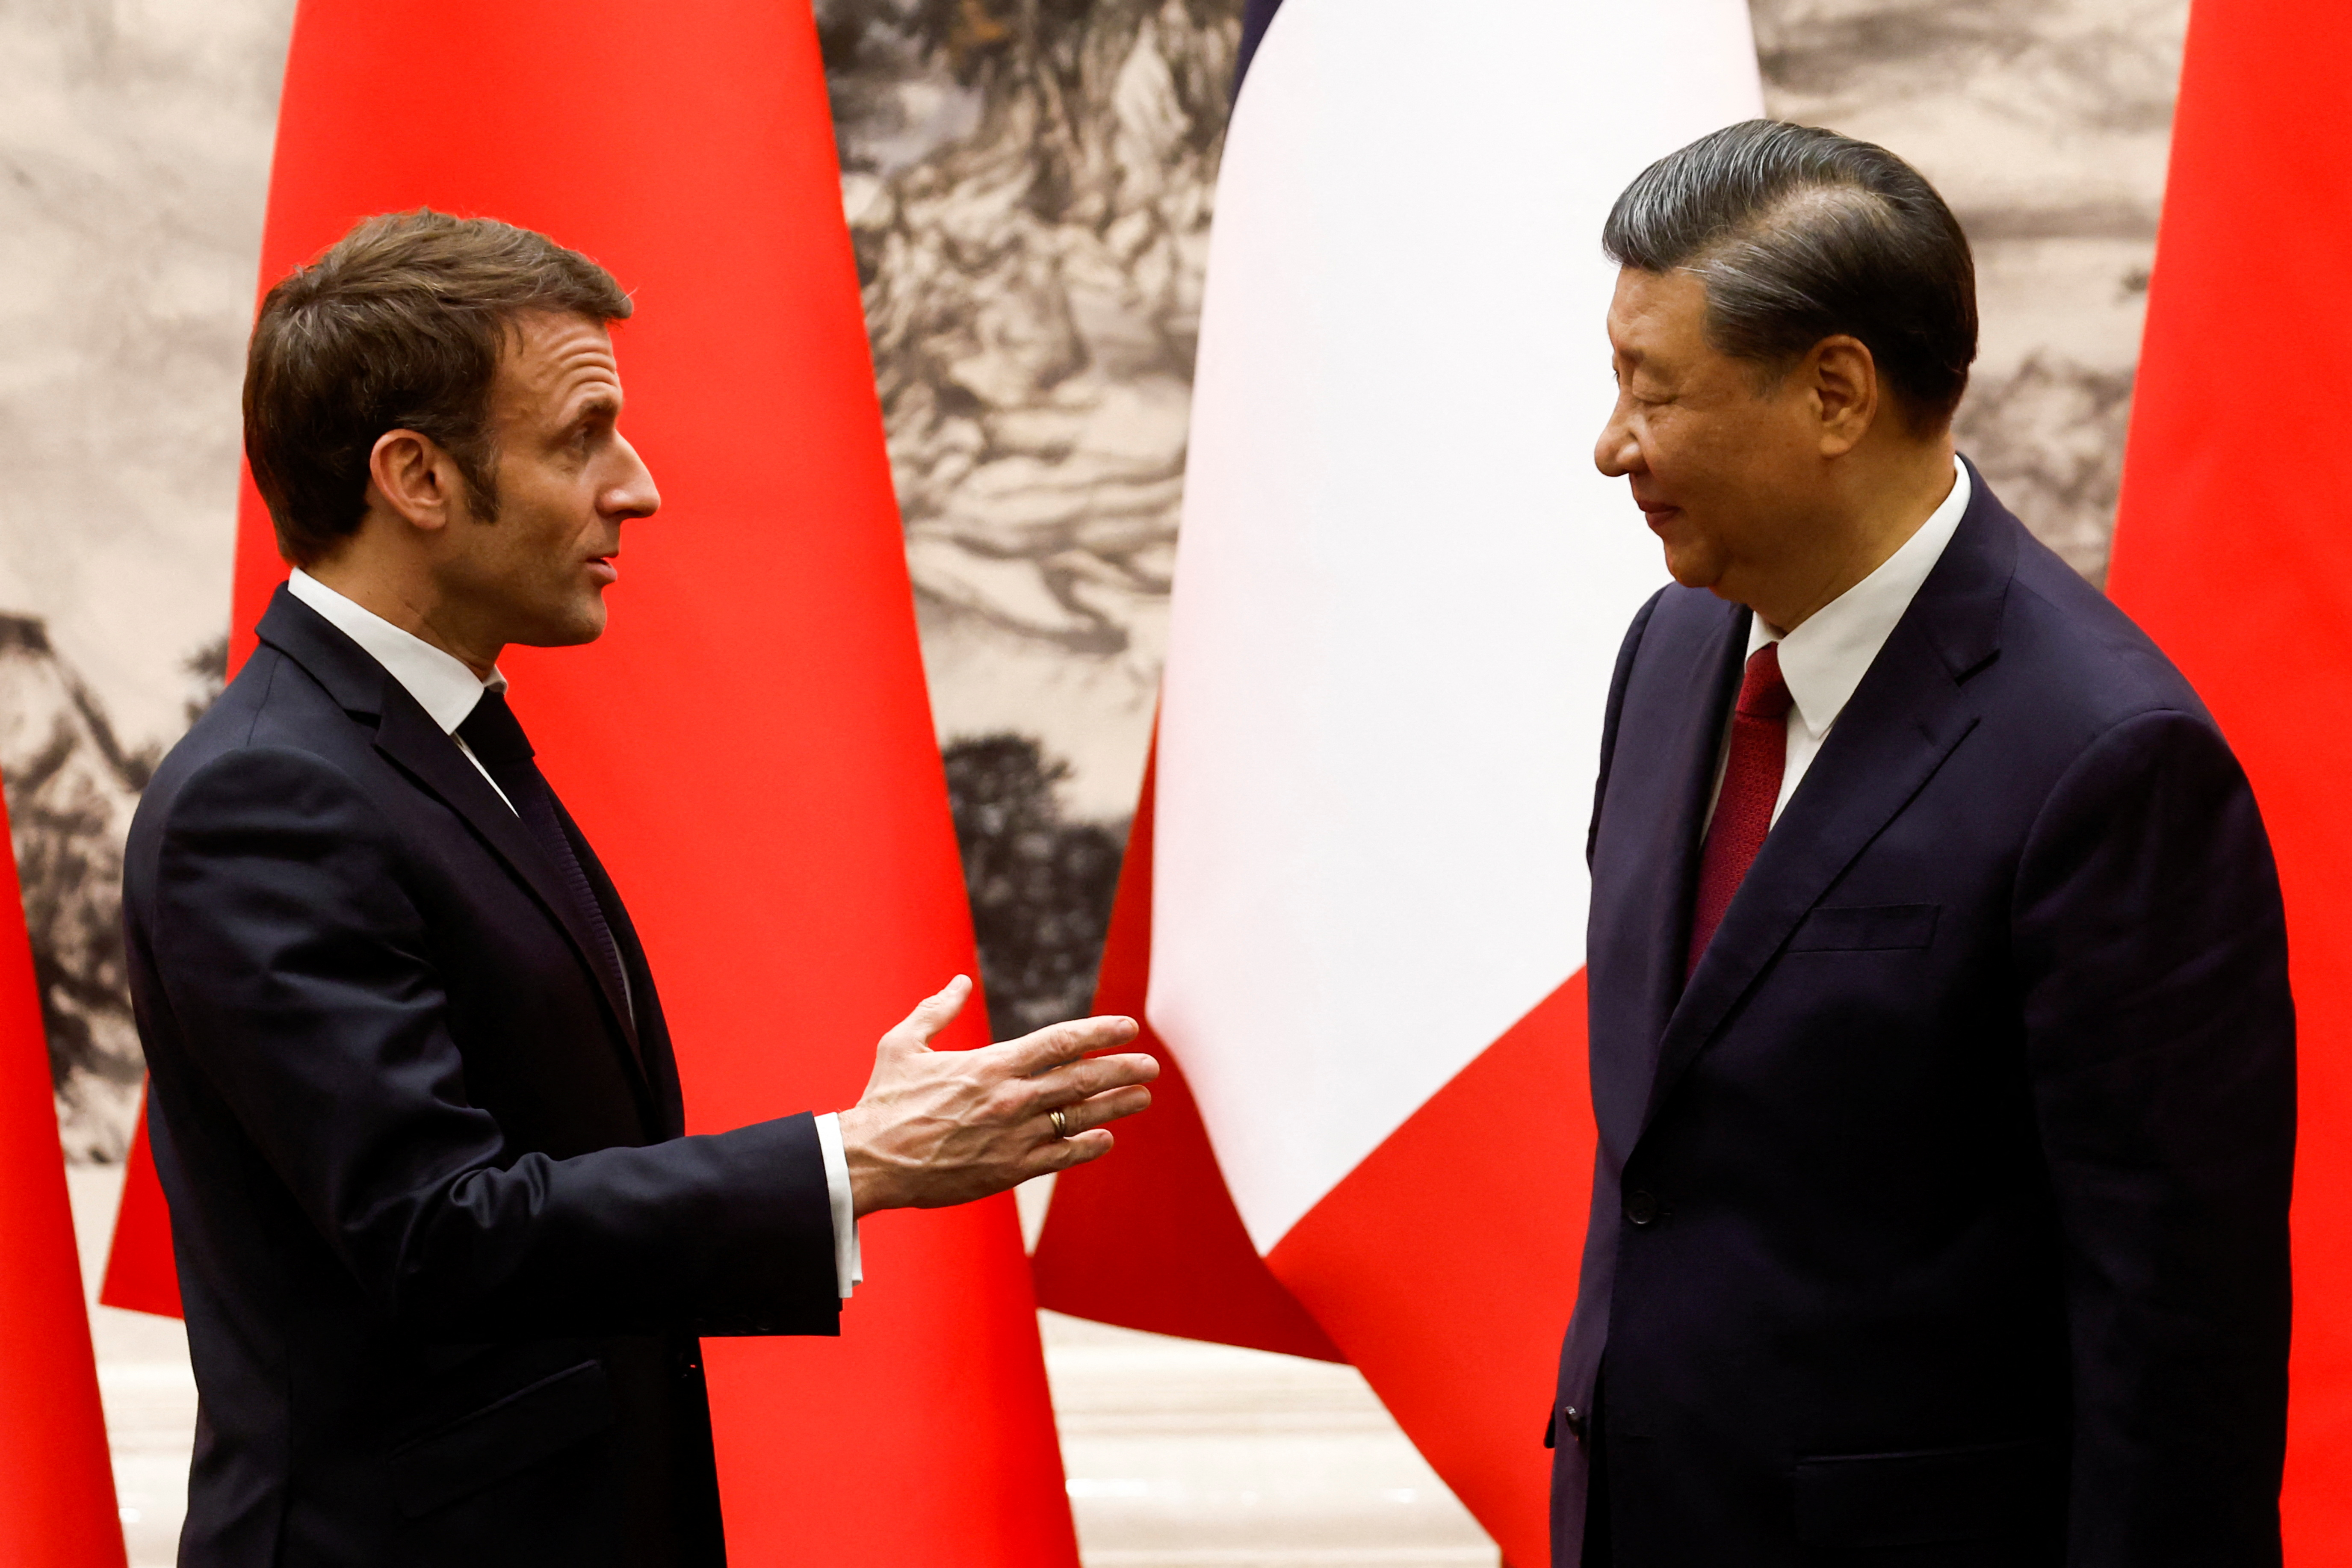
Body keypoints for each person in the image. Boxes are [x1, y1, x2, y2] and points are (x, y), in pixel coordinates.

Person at [121, 210, 1159, 1568]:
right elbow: (439, 1230)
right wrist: (861, 1158)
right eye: (578, 437)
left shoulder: (428, 742)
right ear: (416, 477)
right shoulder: (264, 798)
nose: (638, 486)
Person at [1551, 121, 2293, 1566]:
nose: (1610, 446)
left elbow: (2175, 1342)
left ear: (1835, 391)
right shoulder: (1670, 652)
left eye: (1654, 391)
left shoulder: (2106, 757)